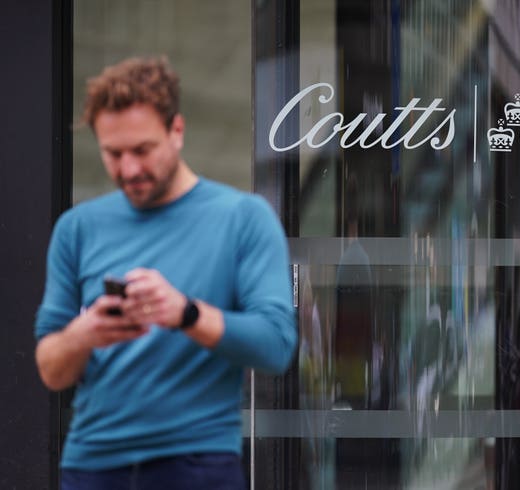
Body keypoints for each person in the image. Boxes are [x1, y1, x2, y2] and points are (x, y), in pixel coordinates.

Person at [34, 56, 297, 490]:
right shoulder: (78, 228)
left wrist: (186, 314)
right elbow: (51, 371)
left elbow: (276, 346)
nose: (129, 169)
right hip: (92, 465)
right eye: (113, 154)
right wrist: (85, 332)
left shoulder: (244, 217)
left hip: (197, 463)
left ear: (177, 131)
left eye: (142, 150)